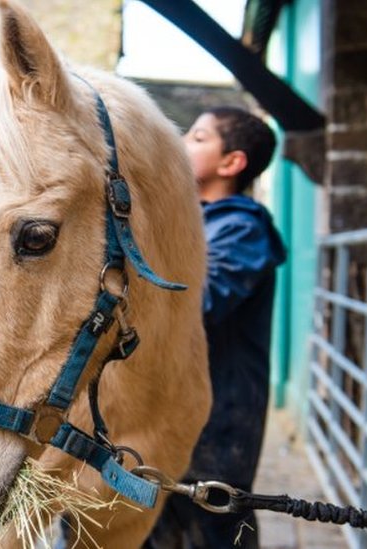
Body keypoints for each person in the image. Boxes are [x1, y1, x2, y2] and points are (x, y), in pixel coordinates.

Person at [144, 106, 287, 548]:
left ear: (232, 163)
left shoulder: (242, 229)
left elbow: (195, 303)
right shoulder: (188, 222)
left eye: (199, 138)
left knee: (216, 528)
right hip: (163, 417)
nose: (183, 143)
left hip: (218, 426)